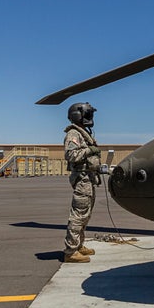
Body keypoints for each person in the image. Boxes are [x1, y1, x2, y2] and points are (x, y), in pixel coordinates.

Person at [62, 102, 102, 263]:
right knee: (78, 215)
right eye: (88, 114)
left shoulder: (83, 133)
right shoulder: (73, 134)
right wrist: (89, 150)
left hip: (88, 179)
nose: (90, 118)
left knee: (85, 214)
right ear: (79, 116)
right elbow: (71, 155)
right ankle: (70, 251)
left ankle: (79, 245)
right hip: (82, 180)